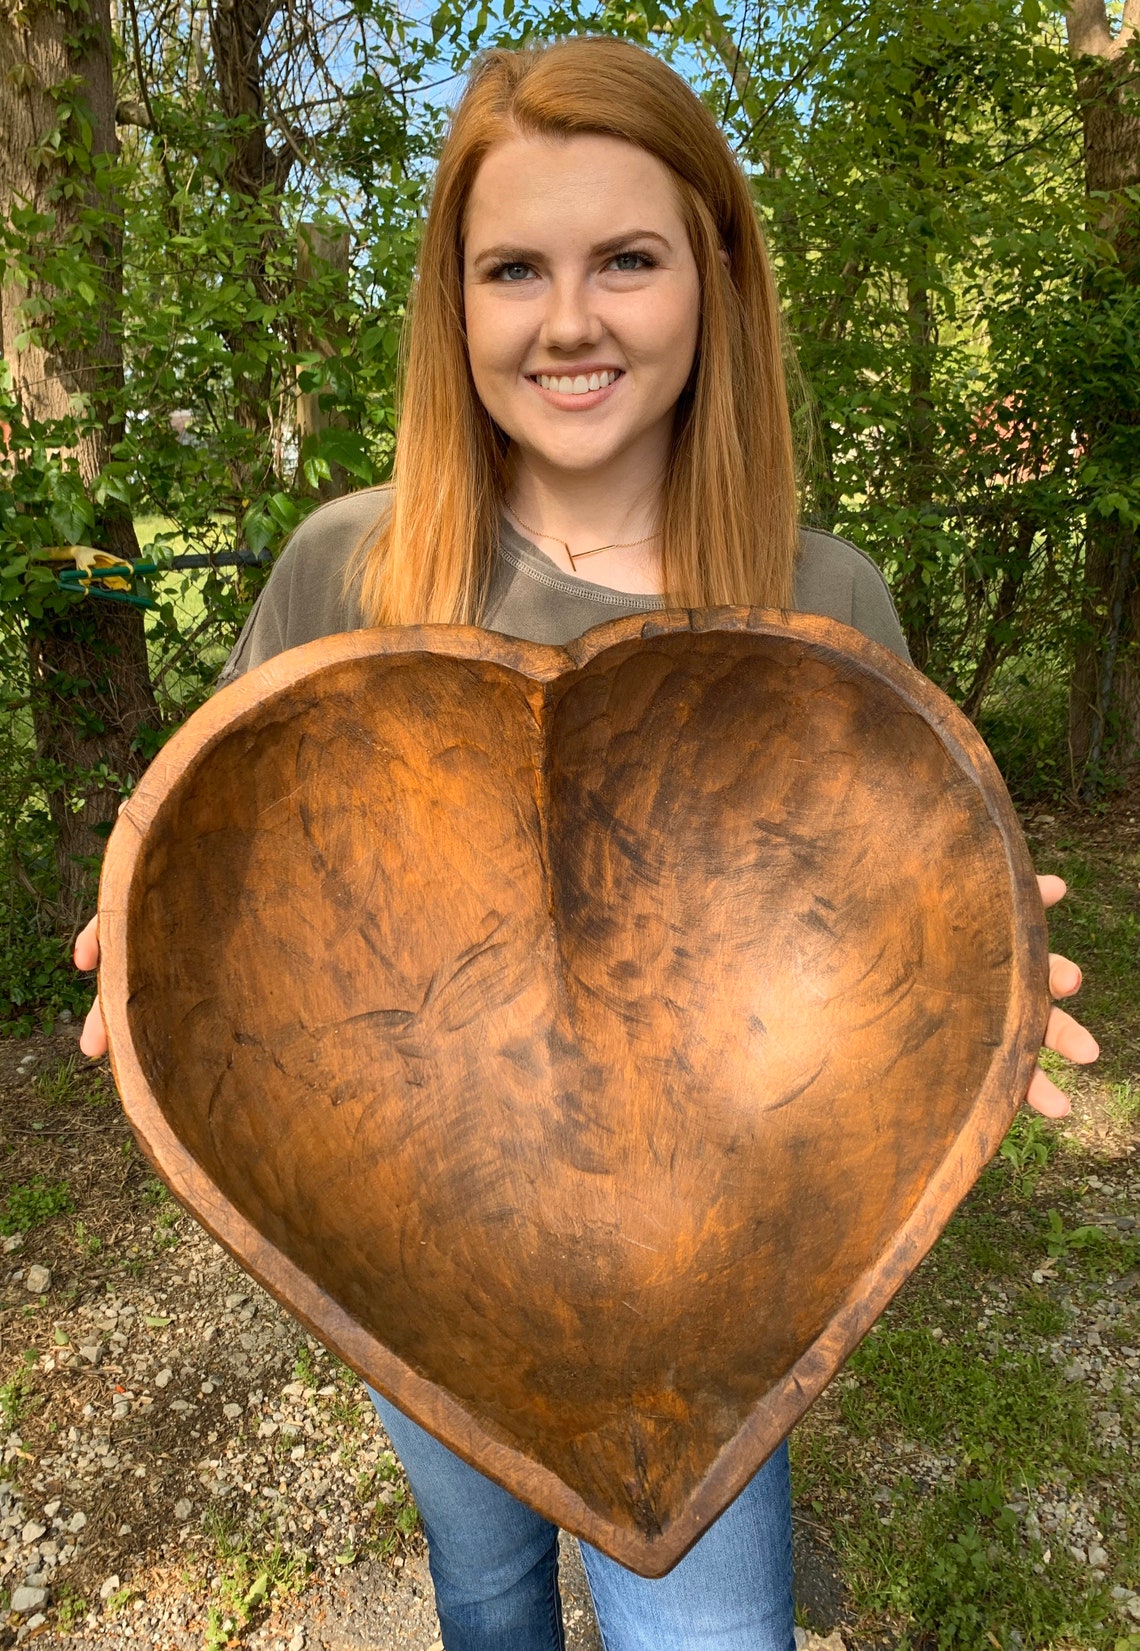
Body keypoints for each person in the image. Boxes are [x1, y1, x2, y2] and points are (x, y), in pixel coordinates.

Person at [72, 35, 1098, 1651]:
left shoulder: (818, 607)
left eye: (626, 259)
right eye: (512, 268)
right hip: (416, 1229)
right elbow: (226, 850)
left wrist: (960, 984)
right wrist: (151, 952)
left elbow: (871, 928)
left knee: (713, 1630)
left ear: (715, 277)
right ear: (454, 302)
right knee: (483, 1585)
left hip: (703, 1293)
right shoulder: (350, 573)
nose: (568, 321)